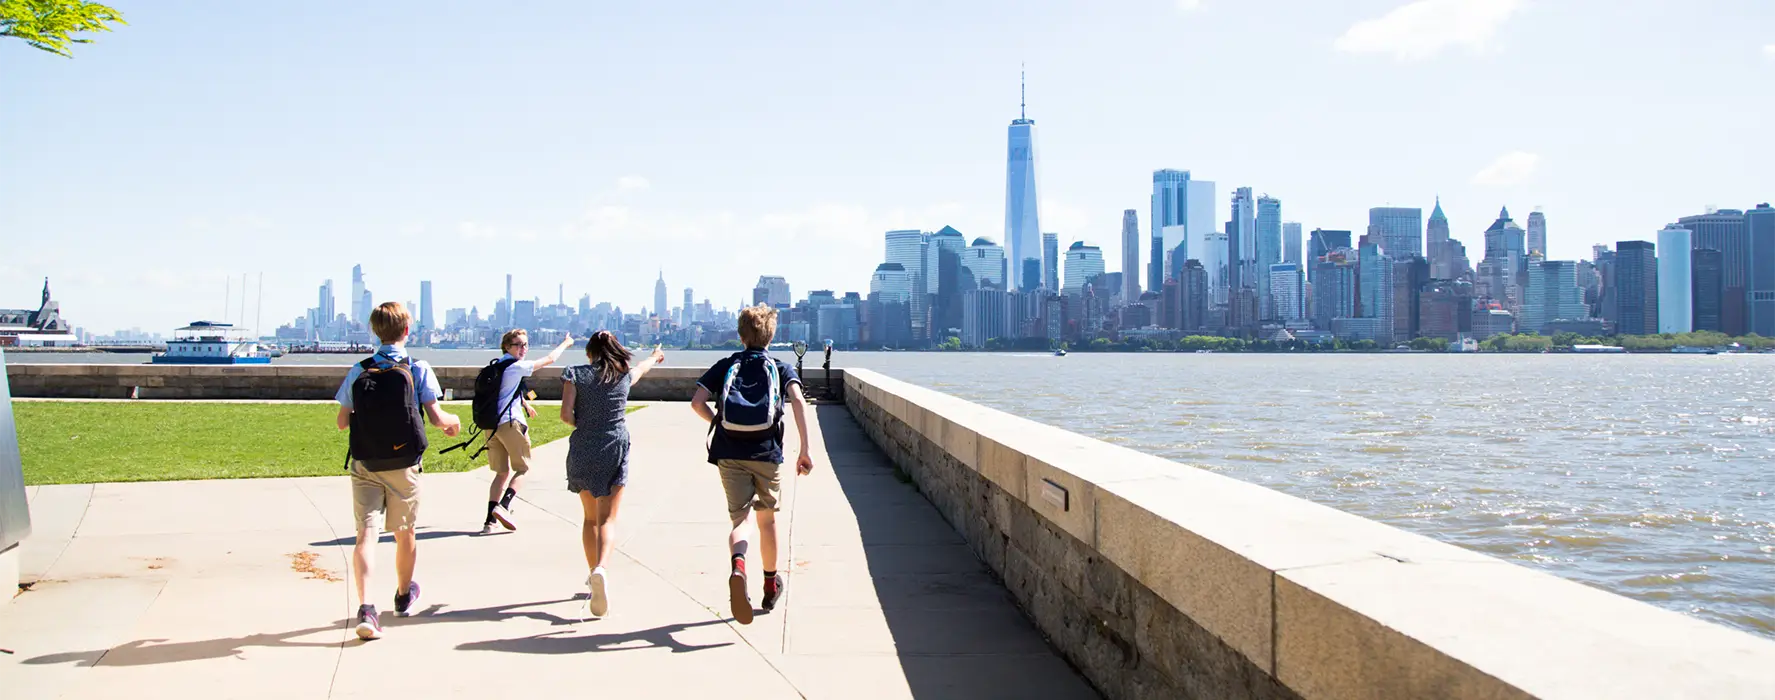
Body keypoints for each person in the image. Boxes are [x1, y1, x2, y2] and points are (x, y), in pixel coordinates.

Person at [334, 302, 462, 640]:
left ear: (375, 332)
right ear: (407, 331)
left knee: (365, 535)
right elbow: (436, 418)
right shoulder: (417, 367)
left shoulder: (359, 369)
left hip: (365, 463)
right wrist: (454, 424)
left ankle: (366, 608)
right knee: (405, 533)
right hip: (403, 464)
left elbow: (341, 421)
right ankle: (404, 594)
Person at [690, 305, 814, 625]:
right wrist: (805, 450)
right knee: (767, 521)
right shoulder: (780, 367)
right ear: (771, 335)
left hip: (729, 452)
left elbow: (696, 402)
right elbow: (798, 401)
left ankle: (739, 566)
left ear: (740, 335)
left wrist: (718, 421)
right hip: (766, 452)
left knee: (740, 520)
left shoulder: (726, 364)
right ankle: (770, 585)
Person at [559, 333, 664, 618]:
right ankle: (601, 569)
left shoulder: (574, 375)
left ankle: (593, 573)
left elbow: (565, 415)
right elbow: (642, 368)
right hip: (614, 446)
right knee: (607, 518)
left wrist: (585, 421)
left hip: (583, 447)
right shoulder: (623, 376)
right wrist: (655, 356)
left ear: (590, 352)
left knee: (590, 517)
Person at [481, 328, 573, 535]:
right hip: (510, 425)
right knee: (524, 469)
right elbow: (550, 359)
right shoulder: (516, 367)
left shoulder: (497, 366)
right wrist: (566, 344)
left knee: (501, 473)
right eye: (518, 345)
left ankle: (489, 522)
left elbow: (505, 393)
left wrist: (525, 403)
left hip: (491, 426)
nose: (523, 349)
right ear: (507, 346)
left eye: (525, 344)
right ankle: (504, 506)